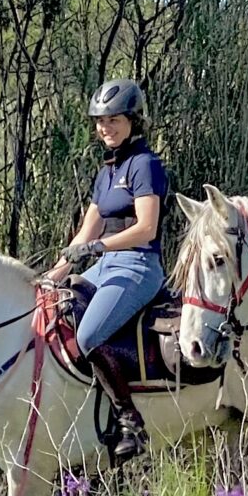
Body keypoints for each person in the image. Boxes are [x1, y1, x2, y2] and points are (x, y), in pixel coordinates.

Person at [56, 80, 169, 356]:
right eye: (100, 121)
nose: (105, 128)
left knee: (88, 337)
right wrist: (55, 273)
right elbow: (85, 234)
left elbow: (147, 228)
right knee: (56, 316)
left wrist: (98, 247)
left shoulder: (145, 165)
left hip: (138, 268)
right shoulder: (106, 172)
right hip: (104, 266)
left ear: (134, 121)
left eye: (114, 120)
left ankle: (120, 401)